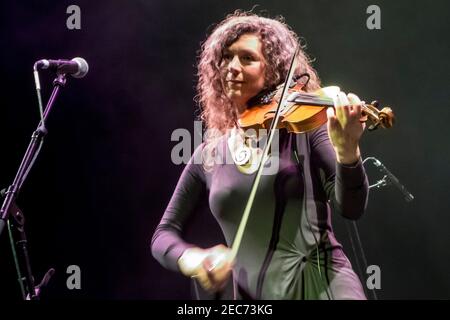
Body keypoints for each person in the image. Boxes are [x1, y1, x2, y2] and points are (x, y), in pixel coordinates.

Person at [151, 11, 369, 300]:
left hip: (322, 286)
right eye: (226, 58)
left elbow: (351, 208)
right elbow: (163, 234)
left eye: (247, 58)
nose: (232, 67)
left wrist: (347, 152)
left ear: (274, 71)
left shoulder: (304, 131)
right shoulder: (210, 154)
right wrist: (194, 260)